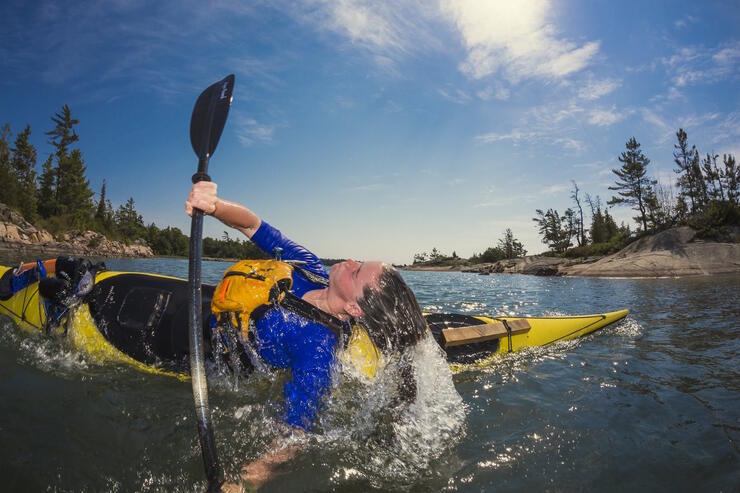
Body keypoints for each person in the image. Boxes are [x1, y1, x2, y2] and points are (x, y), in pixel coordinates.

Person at [185, 181, 428, 490]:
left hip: (212, 353)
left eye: (356, 272)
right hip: (217, 309)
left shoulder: (319, 351)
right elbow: (253, 226)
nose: (350, 261)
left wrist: (243, 484)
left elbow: (293, 435)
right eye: (359, 261)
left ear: (354, 307)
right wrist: (214, 205)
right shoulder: (312, 267)